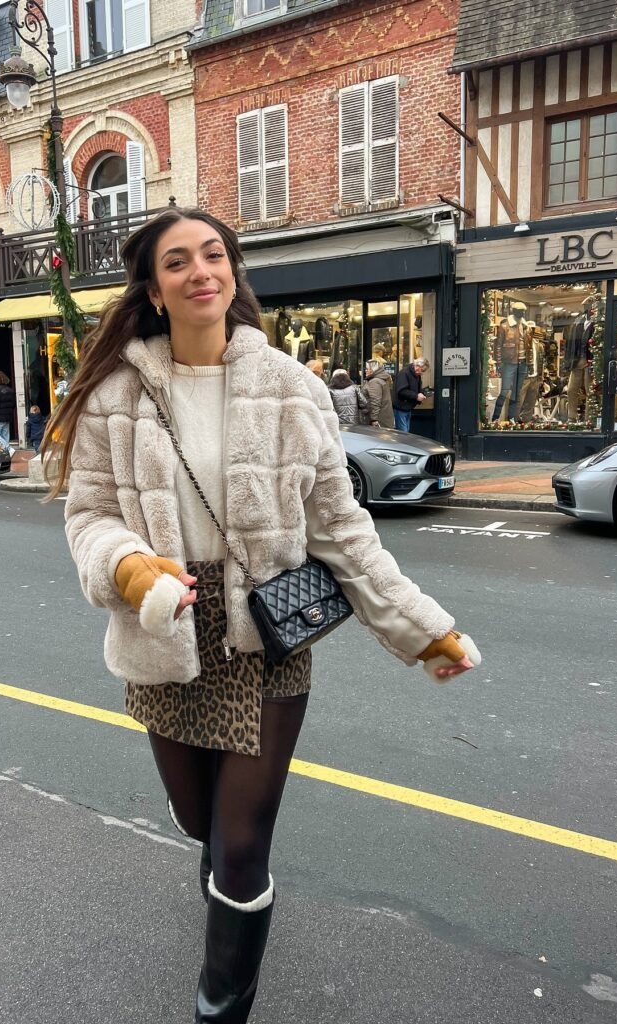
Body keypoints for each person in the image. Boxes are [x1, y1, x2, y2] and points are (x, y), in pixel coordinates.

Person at [42, 208, 478, 1024]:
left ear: (234, 274)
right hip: (165, 624)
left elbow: (342, 528)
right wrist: (131, 570)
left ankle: (221, 1007)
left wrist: (422, 630)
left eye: (215, 255)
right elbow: (89, 515)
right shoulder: (113, 394)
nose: (201, 269)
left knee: (242, 842)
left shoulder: (293, 387)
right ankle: (208, 856)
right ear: (155, 288)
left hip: (267, 633)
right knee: (198, 817)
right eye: (179, 261)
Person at [393, 357, 428, 432]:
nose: (422, 373)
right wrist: (416, 396)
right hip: (400, 408)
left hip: (407, 408)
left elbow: (416, 388)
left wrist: (421, 393)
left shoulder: (415, 374)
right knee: (404, 434)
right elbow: (401, 391)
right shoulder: (405, 373)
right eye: (422, 370)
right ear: (418, 366)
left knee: (406, 433)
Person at [362, 358, 395, 429]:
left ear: (373, 370)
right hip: (384, 418)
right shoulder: (381, 379)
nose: (365, 370)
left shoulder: (375, 382)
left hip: (379, 421)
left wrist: (374, 419)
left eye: (367, 369)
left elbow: (375, 402)